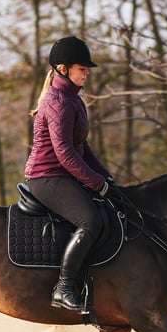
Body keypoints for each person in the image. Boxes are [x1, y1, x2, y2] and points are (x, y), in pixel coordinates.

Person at [24, 36, 116, 313]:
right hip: (46, 176)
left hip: (63, 174)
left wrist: (106, 178)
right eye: (82, 68)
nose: (87, 72)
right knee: (90, 220)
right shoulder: (59, 102)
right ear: (64, 69)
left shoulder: (72, 99)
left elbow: (82, 147)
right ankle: (63, 288)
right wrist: (97, 183)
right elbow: (64, 153)